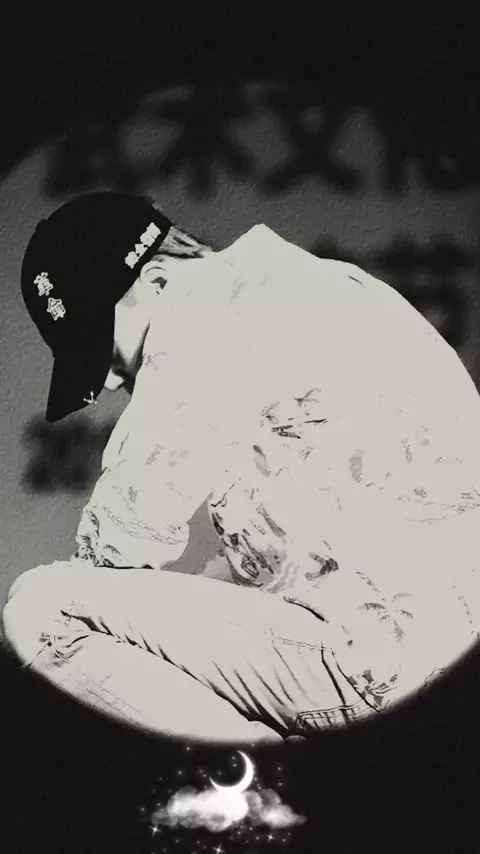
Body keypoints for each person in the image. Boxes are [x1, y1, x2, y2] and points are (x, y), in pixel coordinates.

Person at [2, 191, 480, 747]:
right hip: (429, 652)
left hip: (381, 659)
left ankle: (270, 783)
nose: (107, 381)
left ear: (158, 281)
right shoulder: (298, 287)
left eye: (99, 347)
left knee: (45, 608)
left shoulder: (211, 308)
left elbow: (121, 542)